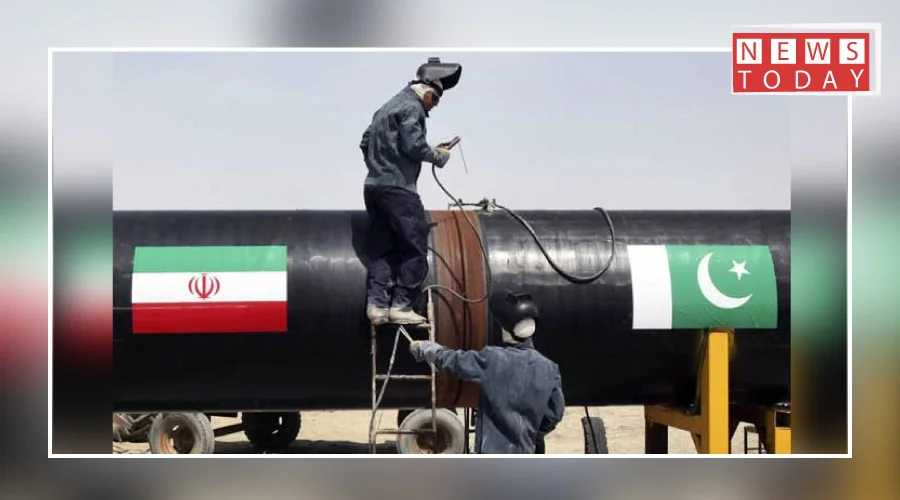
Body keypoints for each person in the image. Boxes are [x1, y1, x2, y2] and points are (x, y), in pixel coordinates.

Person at [360, 57, 462, 326]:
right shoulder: (412, 107)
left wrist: (380, 166)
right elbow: (414, 145)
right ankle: (401, 305)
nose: (434, 106)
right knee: (415, 247)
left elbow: (365, 141)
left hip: (374, 187)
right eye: (435, 99)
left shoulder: (386, 107)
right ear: (427, 90)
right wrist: (438, 156)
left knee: (382, 247)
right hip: (400, 190)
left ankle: (377, 306)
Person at [408, 291, 566, 453]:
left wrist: (425, 348)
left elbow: (454, 361)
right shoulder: (550, 368)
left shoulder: (493, 359)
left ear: (506, 330)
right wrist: (531, 433)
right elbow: (555, 414)